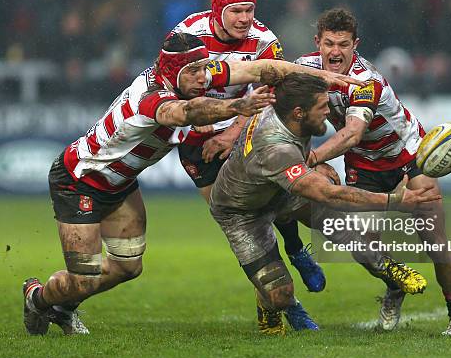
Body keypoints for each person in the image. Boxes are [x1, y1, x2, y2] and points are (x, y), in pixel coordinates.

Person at [21, 32, 355, 336]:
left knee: (127, 267)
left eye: (204, 69)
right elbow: (185, 113)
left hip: (120, 185)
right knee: (84, 276)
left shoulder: (192, 75)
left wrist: (321, 76)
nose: (202, 78)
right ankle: (37, 298)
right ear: (173, 69)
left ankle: (64, 307)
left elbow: (260, 70)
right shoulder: (150, 98)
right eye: (193, 72)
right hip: (79, 180)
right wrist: (236, 106)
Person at [209, 70, 439, 336]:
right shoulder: (276, 149)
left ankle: (385, 266)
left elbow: (282, 75)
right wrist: (394, 200)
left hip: (276, 187)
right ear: (298, 113)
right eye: (322, 107)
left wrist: (315, 160)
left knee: (344, 229)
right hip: (241, 212)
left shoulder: (284, 107)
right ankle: (281, 304)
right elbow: (329, 195)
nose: (328, 112)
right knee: (279, 294)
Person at [296, 8, 451, 335]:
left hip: (409, 155)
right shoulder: (303, 68)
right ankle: (395, 284)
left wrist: (313, 157)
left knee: (435, 242)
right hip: (363, 164)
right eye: (329, 43)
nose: (336, 52)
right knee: (363, 245)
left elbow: (352, 134)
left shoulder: (366, 81)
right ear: (317, 42)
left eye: (344, 45)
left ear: (355, 45)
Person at [170, 0, 325, 331]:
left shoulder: (265, 41)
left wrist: (231, 133)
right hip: (197, 137)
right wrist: (200, 115)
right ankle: (283, 299)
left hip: (246, 128)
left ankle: (296, 250)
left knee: (270, 197)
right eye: (236, 10)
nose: (244, 18)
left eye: (249, 10)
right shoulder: (188, 33)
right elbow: (170, 80)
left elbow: (270, 95)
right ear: (217, 9)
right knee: (236, 215)